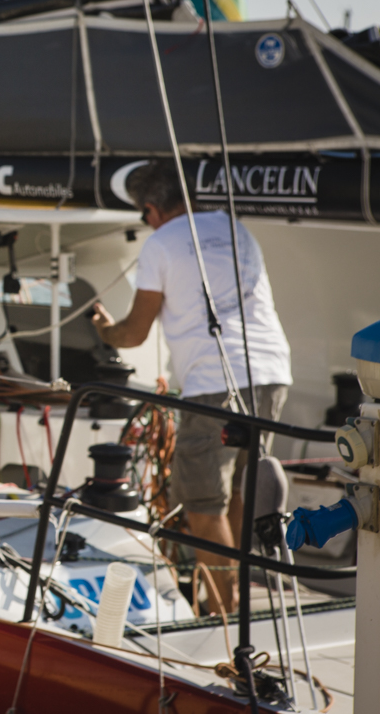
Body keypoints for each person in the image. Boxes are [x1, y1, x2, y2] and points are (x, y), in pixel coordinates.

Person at [91, 161, 291, 614]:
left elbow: (134, 333)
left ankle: (223, 613)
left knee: (202, 503)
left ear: (151, 209)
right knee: (238, 489)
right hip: (272, 372)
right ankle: (229, 598)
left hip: (213, 382)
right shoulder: (236, 228)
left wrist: (104, 329)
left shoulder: (161, 242)